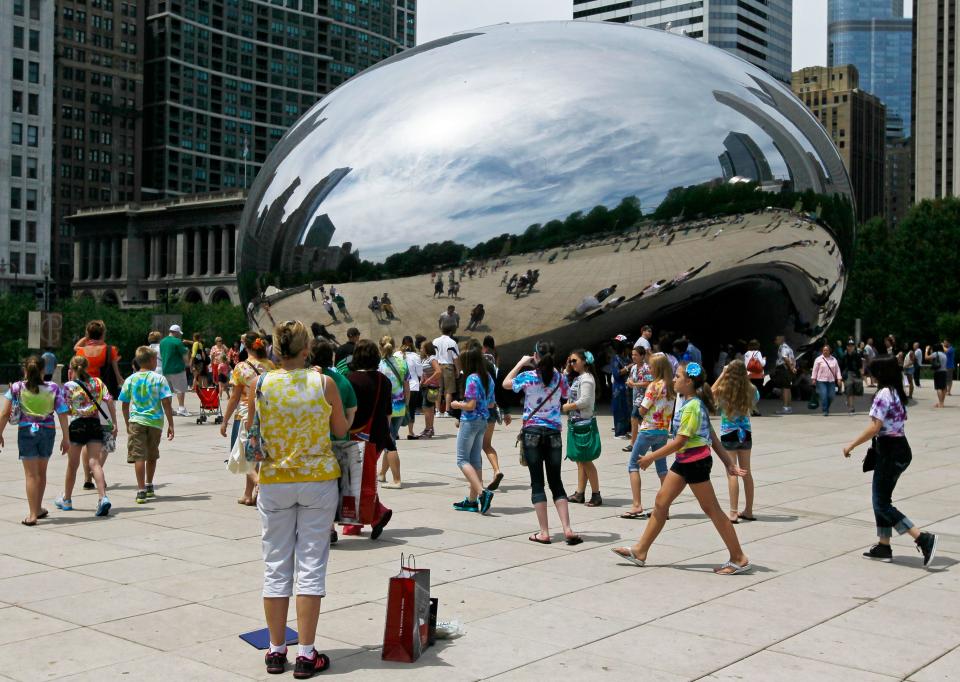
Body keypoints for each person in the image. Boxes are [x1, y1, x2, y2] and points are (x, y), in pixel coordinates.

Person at [252, 321, 348, 678]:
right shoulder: (324, 382)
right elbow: (340, 430)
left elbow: (254, 431)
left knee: (276, 565)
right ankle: (306, 654)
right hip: (317, 479)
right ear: (307, 349)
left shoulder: (260, 383)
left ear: (277, 350)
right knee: (311, 564)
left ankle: (276, 651)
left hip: (275, 479)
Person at [611, 362, 751, 574]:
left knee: (711, 509)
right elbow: (711, 433)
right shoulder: (687, 401)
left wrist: (651, 457)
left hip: (695, 463)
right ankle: (640, 551)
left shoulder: (693, 407)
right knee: (661, 502)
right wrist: (728, 463)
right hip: (685, 461)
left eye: (678, 377)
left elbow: (679, 441)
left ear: (689, 382)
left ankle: (739, 557)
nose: (674, 379)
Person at [842, 356, 939, 567]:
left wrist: (851, 445)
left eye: (872, 371)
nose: (870, 375)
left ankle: (922, 538)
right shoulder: (895, 391)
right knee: (882, 499)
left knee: (881, 503)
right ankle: (883, 545)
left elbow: (874, 428)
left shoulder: (883, 394)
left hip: (890, 452)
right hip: (899, 450)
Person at [503, 341, 582, 545]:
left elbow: (505, 383)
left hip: (532, 433)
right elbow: (565, 395)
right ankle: (567, 528)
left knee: (537, 482)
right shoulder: (560, 378)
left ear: (536, 356)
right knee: (556, 481)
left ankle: (544, 532)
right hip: (554, 432)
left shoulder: (528, 376)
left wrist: (521, 363)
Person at [0, 356, 70, 526]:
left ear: (25, 369)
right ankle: (37, 508)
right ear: (43, 370)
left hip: (26, 431)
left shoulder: (16, 387)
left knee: (31, 475)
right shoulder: (53, 388)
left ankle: (32, 514)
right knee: (42, 473)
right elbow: (62, 412)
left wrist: (0, 433)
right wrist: (66, 438)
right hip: (47, 431)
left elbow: (4, 413)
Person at [344, 340, 395, 539]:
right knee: (363, 479)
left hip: (356, 435)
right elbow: (388, 412)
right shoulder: (384, 380)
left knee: (355, 481)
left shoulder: (350, 379)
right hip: (379, 435)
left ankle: (373, 515)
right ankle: (368, 518)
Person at [57, 355, 117, 517]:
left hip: (77, 425)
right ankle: (102, 497)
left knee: (72, 464)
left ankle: (67, 499)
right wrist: (114, 422)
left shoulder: (69, 385)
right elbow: (109, 401)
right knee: (95, 463)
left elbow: (65, 409)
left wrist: (76, 409)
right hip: (94, 424)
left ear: (72, 369)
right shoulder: (97, 382)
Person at [220, 333, 275, 506]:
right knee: (254, 453)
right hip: (266, 412)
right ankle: (247, 494)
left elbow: (234, 397)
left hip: (246, 413)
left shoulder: (241, 367)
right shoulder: (270, 365)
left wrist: (224, 420)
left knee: (243, 454)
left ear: (247, 346)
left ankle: (260, 484)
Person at [118, 346, 175, 504]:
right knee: (152, 454)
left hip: (136, 421)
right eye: (155, 359)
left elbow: (124, 403)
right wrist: (171, 424)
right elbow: (166, 402)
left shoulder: (130, 379)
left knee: (139, 457)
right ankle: (149, 484)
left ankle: (141, 489)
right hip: (155, 422)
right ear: (151, 360)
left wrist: (127, 421)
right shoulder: (159, 379)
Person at [623, 352, 675, 518]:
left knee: (633, 465)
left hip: (648, 429)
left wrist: (639, 410)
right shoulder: (672, 386)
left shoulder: (654, 386)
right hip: (663, 431)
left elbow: (643, 409)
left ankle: (636, 504)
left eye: (651, 367)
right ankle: (664, 507)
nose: (649, 370)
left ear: (657, 368)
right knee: (662, 468)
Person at [449, 347, 497, 514]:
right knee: (475, 460)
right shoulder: (488, 378)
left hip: (469, 421)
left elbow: (470, 405)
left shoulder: (471, 379)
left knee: (462, 460)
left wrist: (457, 404)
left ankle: (482, 493)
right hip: (483, 421)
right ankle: (471, 501)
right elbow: (491, 404)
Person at [712, 360, 758, 524]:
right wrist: (746, 379)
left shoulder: (724, 389)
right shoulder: (751, 389)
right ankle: (749, 510)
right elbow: (755, 399)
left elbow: (710, 393)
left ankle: (733, 512)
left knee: (732, 473)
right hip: (745, 432)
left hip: (729, 433)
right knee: (747, 472)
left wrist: (723, 374)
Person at [562, 349, 601, 506]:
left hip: (583, 423)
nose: (572, 364)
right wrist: (567, 369)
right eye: (570, 361)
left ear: (584, 361)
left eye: (574, 361)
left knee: (586, 461)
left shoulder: (586, 379)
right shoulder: (579, 377)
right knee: (580, 460)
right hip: (577, 423)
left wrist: (568, 407)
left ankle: (596, 494)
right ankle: (580, 493)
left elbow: (585, 401)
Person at [376, 336, 407, 488]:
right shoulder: (402, 362)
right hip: (400, 406)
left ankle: (397, 480)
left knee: (390, 443)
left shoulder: (379, 365)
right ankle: (382, 473)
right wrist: (406, 403)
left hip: (386, 408)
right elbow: (406, 386)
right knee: (390, 439)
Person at [480, 335, 508, 488]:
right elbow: (500, 390)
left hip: (477, 412)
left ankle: (477, 480)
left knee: (473, 448)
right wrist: (507, 411)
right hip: (492, 410)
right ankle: (496, 470)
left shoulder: (476, 374)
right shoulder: (495, 365)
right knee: (487, 444)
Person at [74, 320, 124, 404]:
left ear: (88, 334)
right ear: (103, 334)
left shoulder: (80, 351)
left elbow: (76, 347)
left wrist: (87, 337)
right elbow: (117, 374)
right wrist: (120, 380)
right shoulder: (110, 350)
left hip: (85, 390)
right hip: (103, 392)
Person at [624, 345, 652, 453]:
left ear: (642, 356)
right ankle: (650, 438)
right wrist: (630, 382)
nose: (633, 357)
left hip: (644, 397)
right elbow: (630, 378)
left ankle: (633, 443)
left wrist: (634, 384)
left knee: (634, 417)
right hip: (635, 396)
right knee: (641, 420)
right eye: (632, 354)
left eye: (636, 355)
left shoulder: (647, 368)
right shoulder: (634, 367)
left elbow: (649, 383)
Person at [159, 325, 191, 416]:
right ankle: (181, 408)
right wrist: (188, 364)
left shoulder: (162, 342)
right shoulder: (177, 342)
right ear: (176, 332)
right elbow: (184, 355)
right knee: (180, 389)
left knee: (168, 391)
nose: (179, 335)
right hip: (177, 369)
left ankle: (169, 409)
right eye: (178, 333)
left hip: (165, 368)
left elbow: (161, 355)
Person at [433, 322, 459, 415]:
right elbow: (455, 358)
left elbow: (432, 356)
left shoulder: (435, 341)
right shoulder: (452, 342)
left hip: (437, 366)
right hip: (448, 366)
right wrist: (458, 370)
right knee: (448, 390)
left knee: (438, 389)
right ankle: (447, 411)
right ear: (451, 332)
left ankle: (437, 411)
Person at [417, 340, 441, 439]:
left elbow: (438, 371)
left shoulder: (432, 359)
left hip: (431, 387)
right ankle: (429, 428)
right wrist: (421, 382)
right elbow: (424, 373)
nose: (421, 349)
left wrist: (428, 381)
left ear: (427, 349)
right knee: (428, 408)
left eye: (422, 348)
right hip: (425, 387)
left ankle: (428, 429)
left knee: (427, 408)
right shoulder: (425, 359)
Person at [812, 343, 843, 416]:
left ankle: (826, 406)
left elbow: (837, 370)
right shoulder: (818, 359)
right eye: (824, 350)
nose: (825, 351)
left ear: (830, 351)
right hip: (821, 381)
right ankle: (825, 410)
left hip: (831, 381)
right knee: (824, 395)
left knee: (831, 396)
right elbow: (815, 370)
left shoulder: (834, 359)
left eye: (826, 350)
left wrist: (839, 379)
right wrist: (813, 378)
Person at [400, 336, 422, 440]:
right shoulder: (415, 356)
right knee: (411, 409)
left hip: (398, 387)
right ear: (412, 344)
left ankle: (395, 432)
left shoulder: (396, 355)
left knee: (397, 409)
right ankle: (410, 432)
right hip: (412, 386)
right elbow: (420, 372)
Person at [611, 336, 632, 438]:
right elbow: (616, 374)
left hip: (628, 388)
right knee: (619, 409)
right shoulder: (616, 358)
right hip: (618, 388)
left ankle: (626, 430)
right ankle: (619, 432)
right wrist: (629, 367)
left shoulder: (627, 358)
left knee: (626, 410)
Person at [773, 335, 796, 414]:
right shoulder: (789, 348)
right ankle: (788, 407)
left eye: (776, 339)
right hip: (788, 369)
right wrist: (793, 367)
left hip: (784, 369)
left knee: (785, 388)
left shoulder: (783, 348)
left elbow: (785, 358)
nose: (775, 341)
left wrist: (791, 368)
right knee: (788, 388)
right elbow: (792, 359)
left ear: (781, 339)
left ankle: (785, 407)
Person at [840, 339, 864, 412]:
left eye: (852, 346)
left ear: (854, 347)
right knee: (849, 389)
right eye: (849, 346)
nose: (850, 347)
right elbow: (841, 366)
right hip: (847, 374)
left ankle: (850, 403)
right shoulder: (844, 356)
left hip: (856, 373)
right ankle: (851, 407)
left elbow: (860, 366)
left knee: (854, 390)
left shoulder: (857, 355)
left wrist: (862, 375)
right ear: (847, 347)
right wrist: (840, 377)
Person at [743, 340, 766, 416]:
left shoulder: (746, 353)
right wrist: (764, 360)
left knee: (749, 392)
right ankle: (754, 409)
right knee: (756, 394)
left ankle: (751, 409)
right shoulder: (758, 353)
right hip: (757, 376)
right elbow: (762, 364)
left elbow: (745, 365)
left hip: (748, 375)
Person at [925, 343, 948, 408]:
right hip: (944, 372)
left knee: (938, 388)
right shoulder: (944, 354)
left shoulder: (936, 353)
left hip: (938, 372)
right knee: (943, 388)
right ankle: (942, 403)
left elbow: (926, 357)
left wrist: (926, 350)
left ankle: (940, 404)